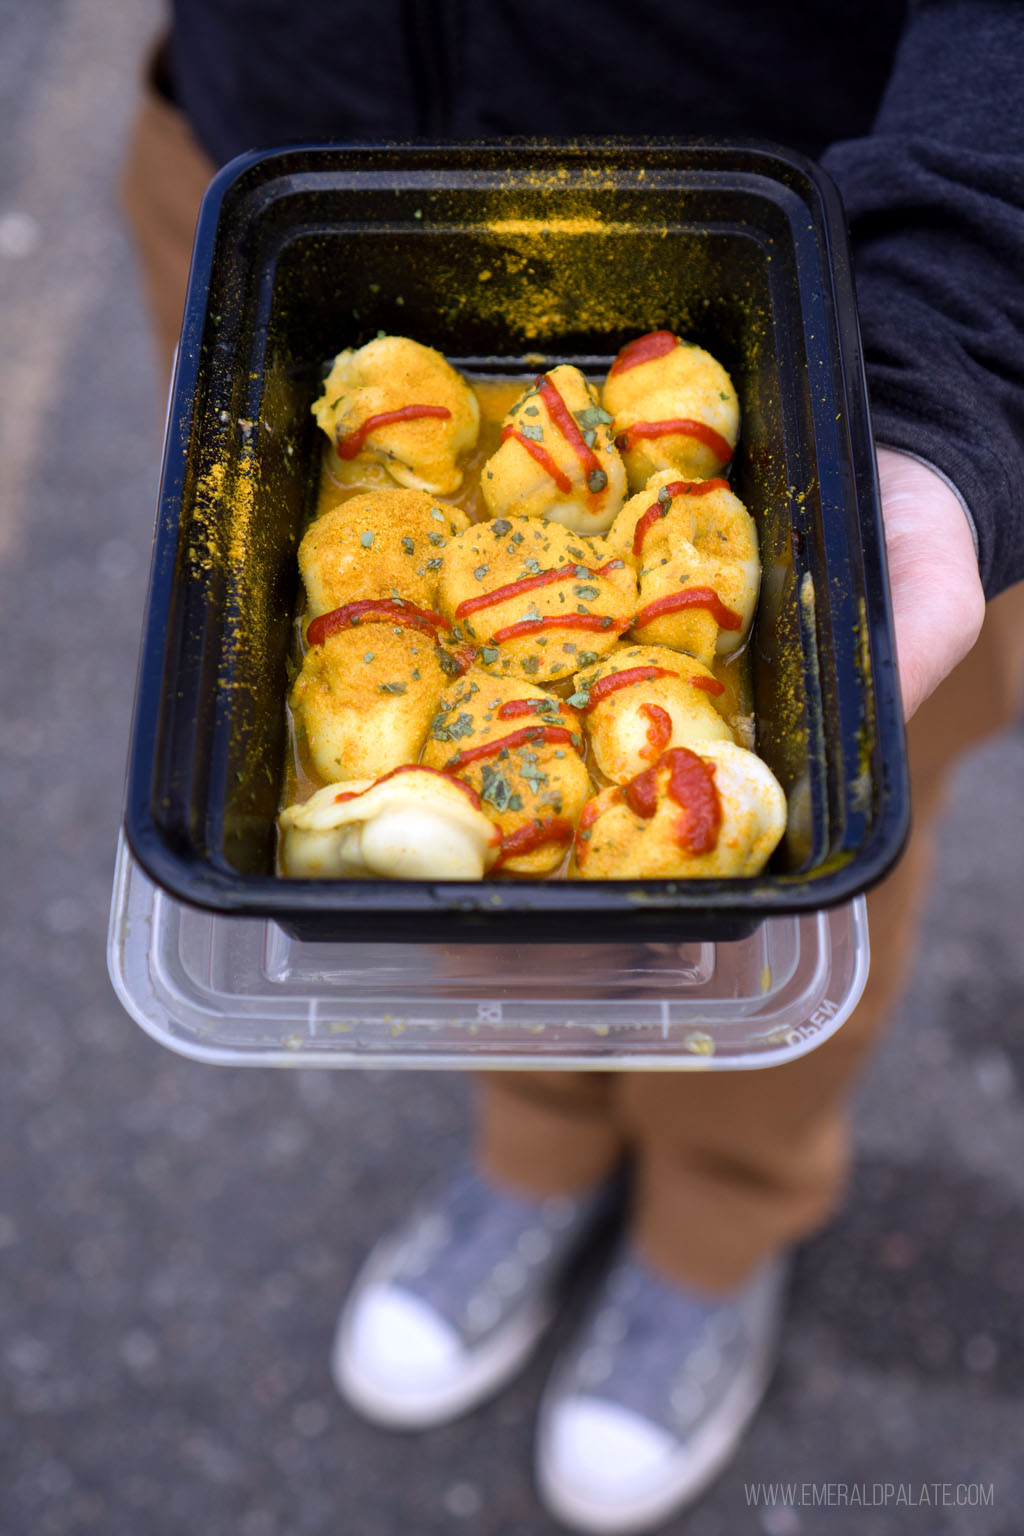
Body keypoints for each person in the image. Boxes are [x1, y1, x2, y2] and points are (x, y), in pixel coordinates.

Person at [121, 5, 1024, 1529]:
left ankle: (716, 1235)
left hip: (840, 241)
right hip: (273, 164)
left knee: (799, 884)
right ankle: (534, 1152)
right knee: (463, 911)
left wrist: (964, 310)